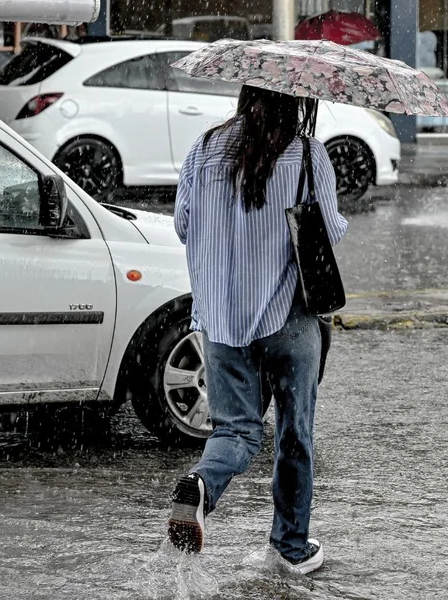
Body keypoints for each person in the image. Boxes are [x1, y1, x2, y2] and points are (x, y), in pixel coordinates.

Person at [167, 84, 348, 576]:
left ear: (246, 94)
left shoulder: (204, 147)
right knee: (294, 432)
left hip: (221, 318)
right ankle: (290, 547)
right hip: (288, 315)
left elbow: (183, 225)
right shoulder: (307, 154)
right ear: (296, 100)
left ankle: (201, 485)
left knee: (236, 430)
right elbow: (329, 232)